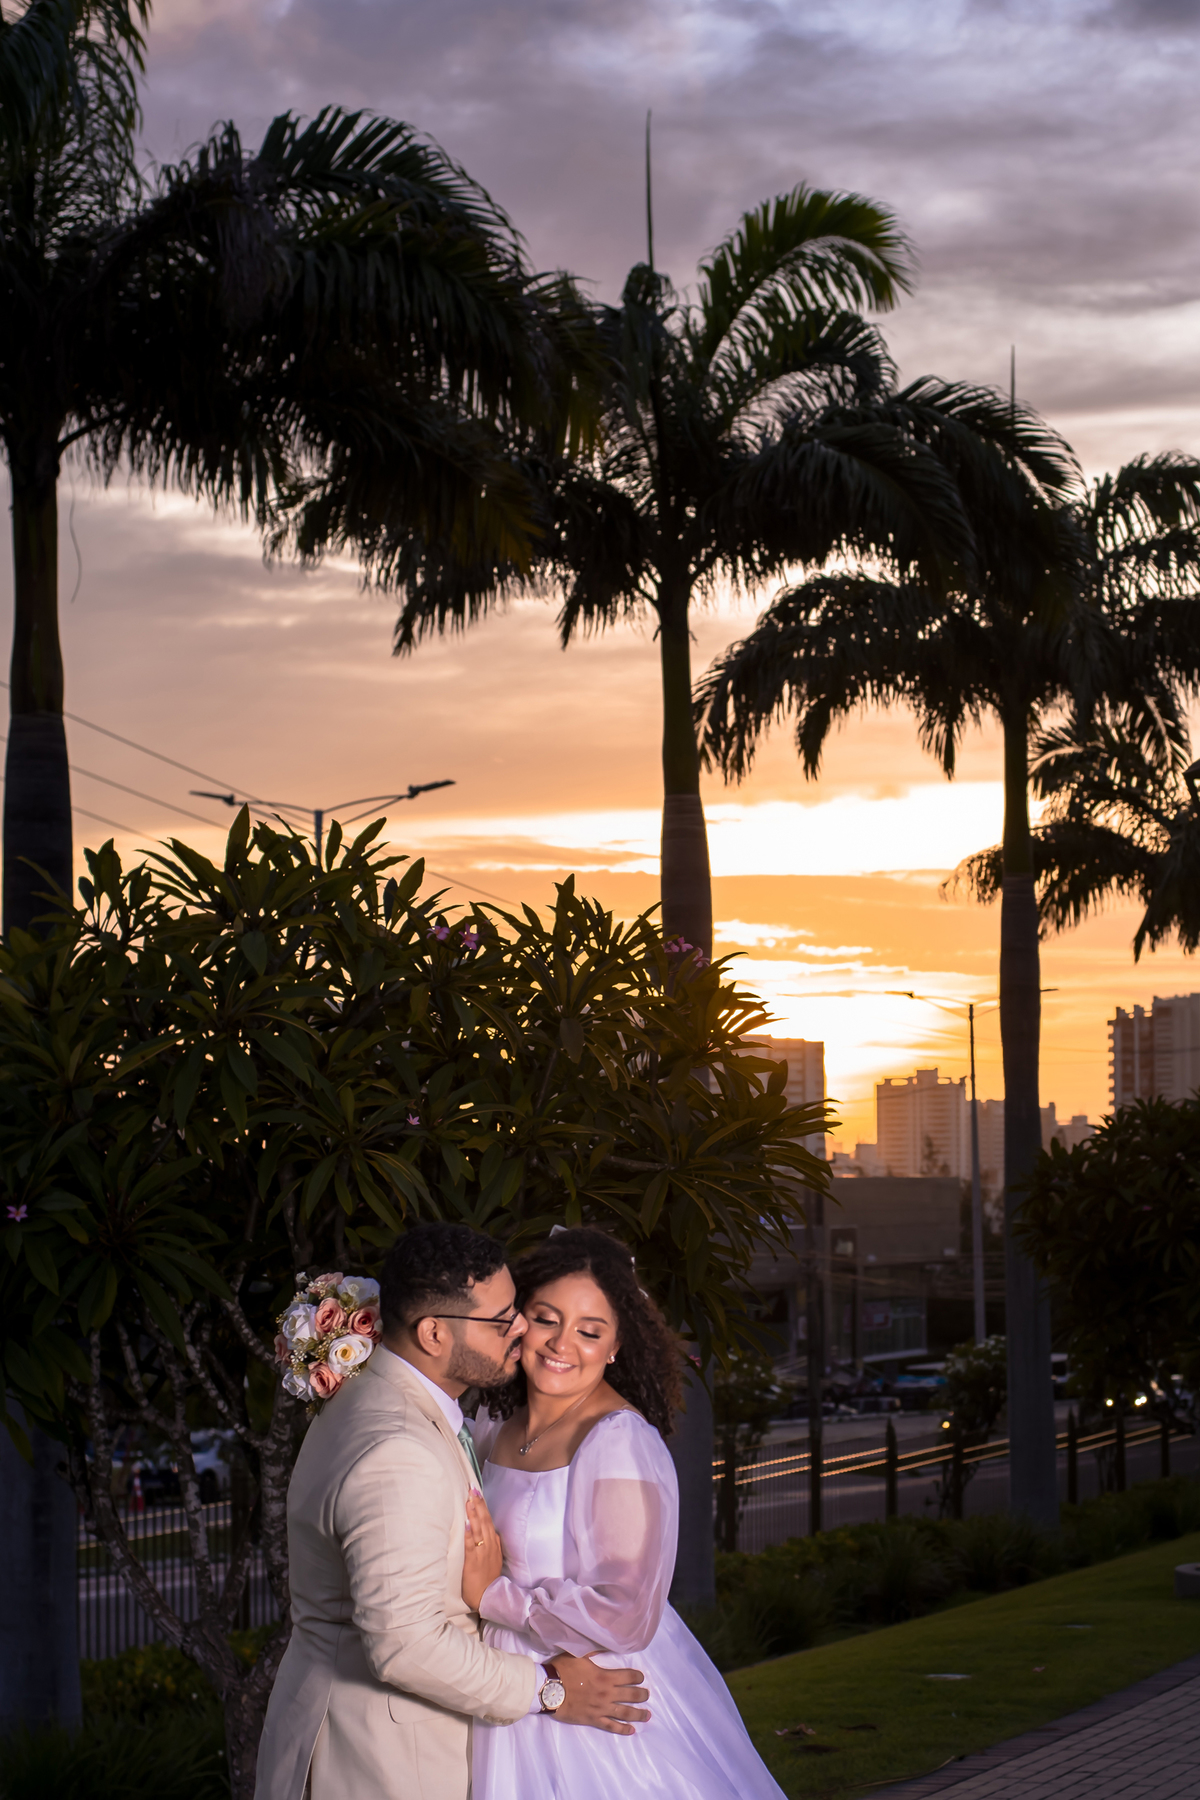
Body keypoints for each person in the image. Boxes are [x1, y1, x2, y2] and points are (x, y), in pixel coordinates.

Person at [254, 1221, 649, 1800]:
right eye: (501, 1320)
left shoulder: (371, 1394)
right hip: (378, 1760)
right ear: (434, 1333)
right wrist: (550, 1689)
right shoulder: (398, 1450)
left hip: (345, 1728)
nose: (522, 1329)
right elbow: (405, 1645)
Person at [464, 1226, 788, 1799]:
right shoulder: (495, 1422)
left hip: (592, 1689)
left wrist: (492, 1597)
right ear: (520, 1319)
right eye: (546, 1318)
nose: (562, 1343)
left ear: (615, 1345)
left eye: (589, 1331)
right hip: (508, 1682)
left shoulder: (617, 1440)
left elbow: (626, 1613)